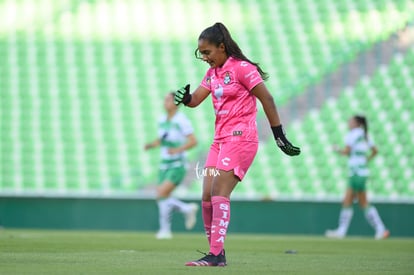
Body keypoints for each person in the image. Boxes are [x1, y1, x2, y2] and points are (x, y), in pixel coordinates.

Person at [173, 22, 300, 266]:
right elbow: (196, 99)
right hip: (219, 140)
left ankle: (216, 254)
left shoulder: (242, 68)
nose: (205, 58)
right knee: (207, 196)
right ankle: (214, 253)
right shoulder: (212, 73)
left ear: (221, 47)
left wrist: (279, 135)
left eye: (207, 52)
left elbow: (268, 99)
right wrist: (186, 98)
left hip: (241, 138)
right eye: (201, 54)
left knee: (220, 192)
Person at [325, 115, 390, 240]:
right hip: (362, 172)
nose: (348, 123)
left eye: (350, 121)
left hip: (355, 172)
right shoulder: (365, 134)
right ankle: (379, 229)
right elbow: (375, 150)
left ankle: (379, 229)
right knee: (355, 202)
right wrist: (366, 159)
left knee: (357, 202)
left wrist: (337, 149)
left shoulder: (352, 134)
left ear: (356, 123)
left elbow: (347, 151)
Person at [144, 92, 199, 240]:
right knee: (162, 196)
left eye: (168, 100)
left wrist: (177, 150)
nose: (165, 102)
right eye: (164, 99)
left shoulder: (181, 120)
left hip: (177, 164)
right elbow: (163, 139)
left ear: (176, 103)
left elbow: (193, 141)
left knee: (162, 193)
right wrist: (151, 145)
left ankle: (166, 230)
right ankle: (186, 210)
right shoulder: (162, 120)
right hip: (164, 163)